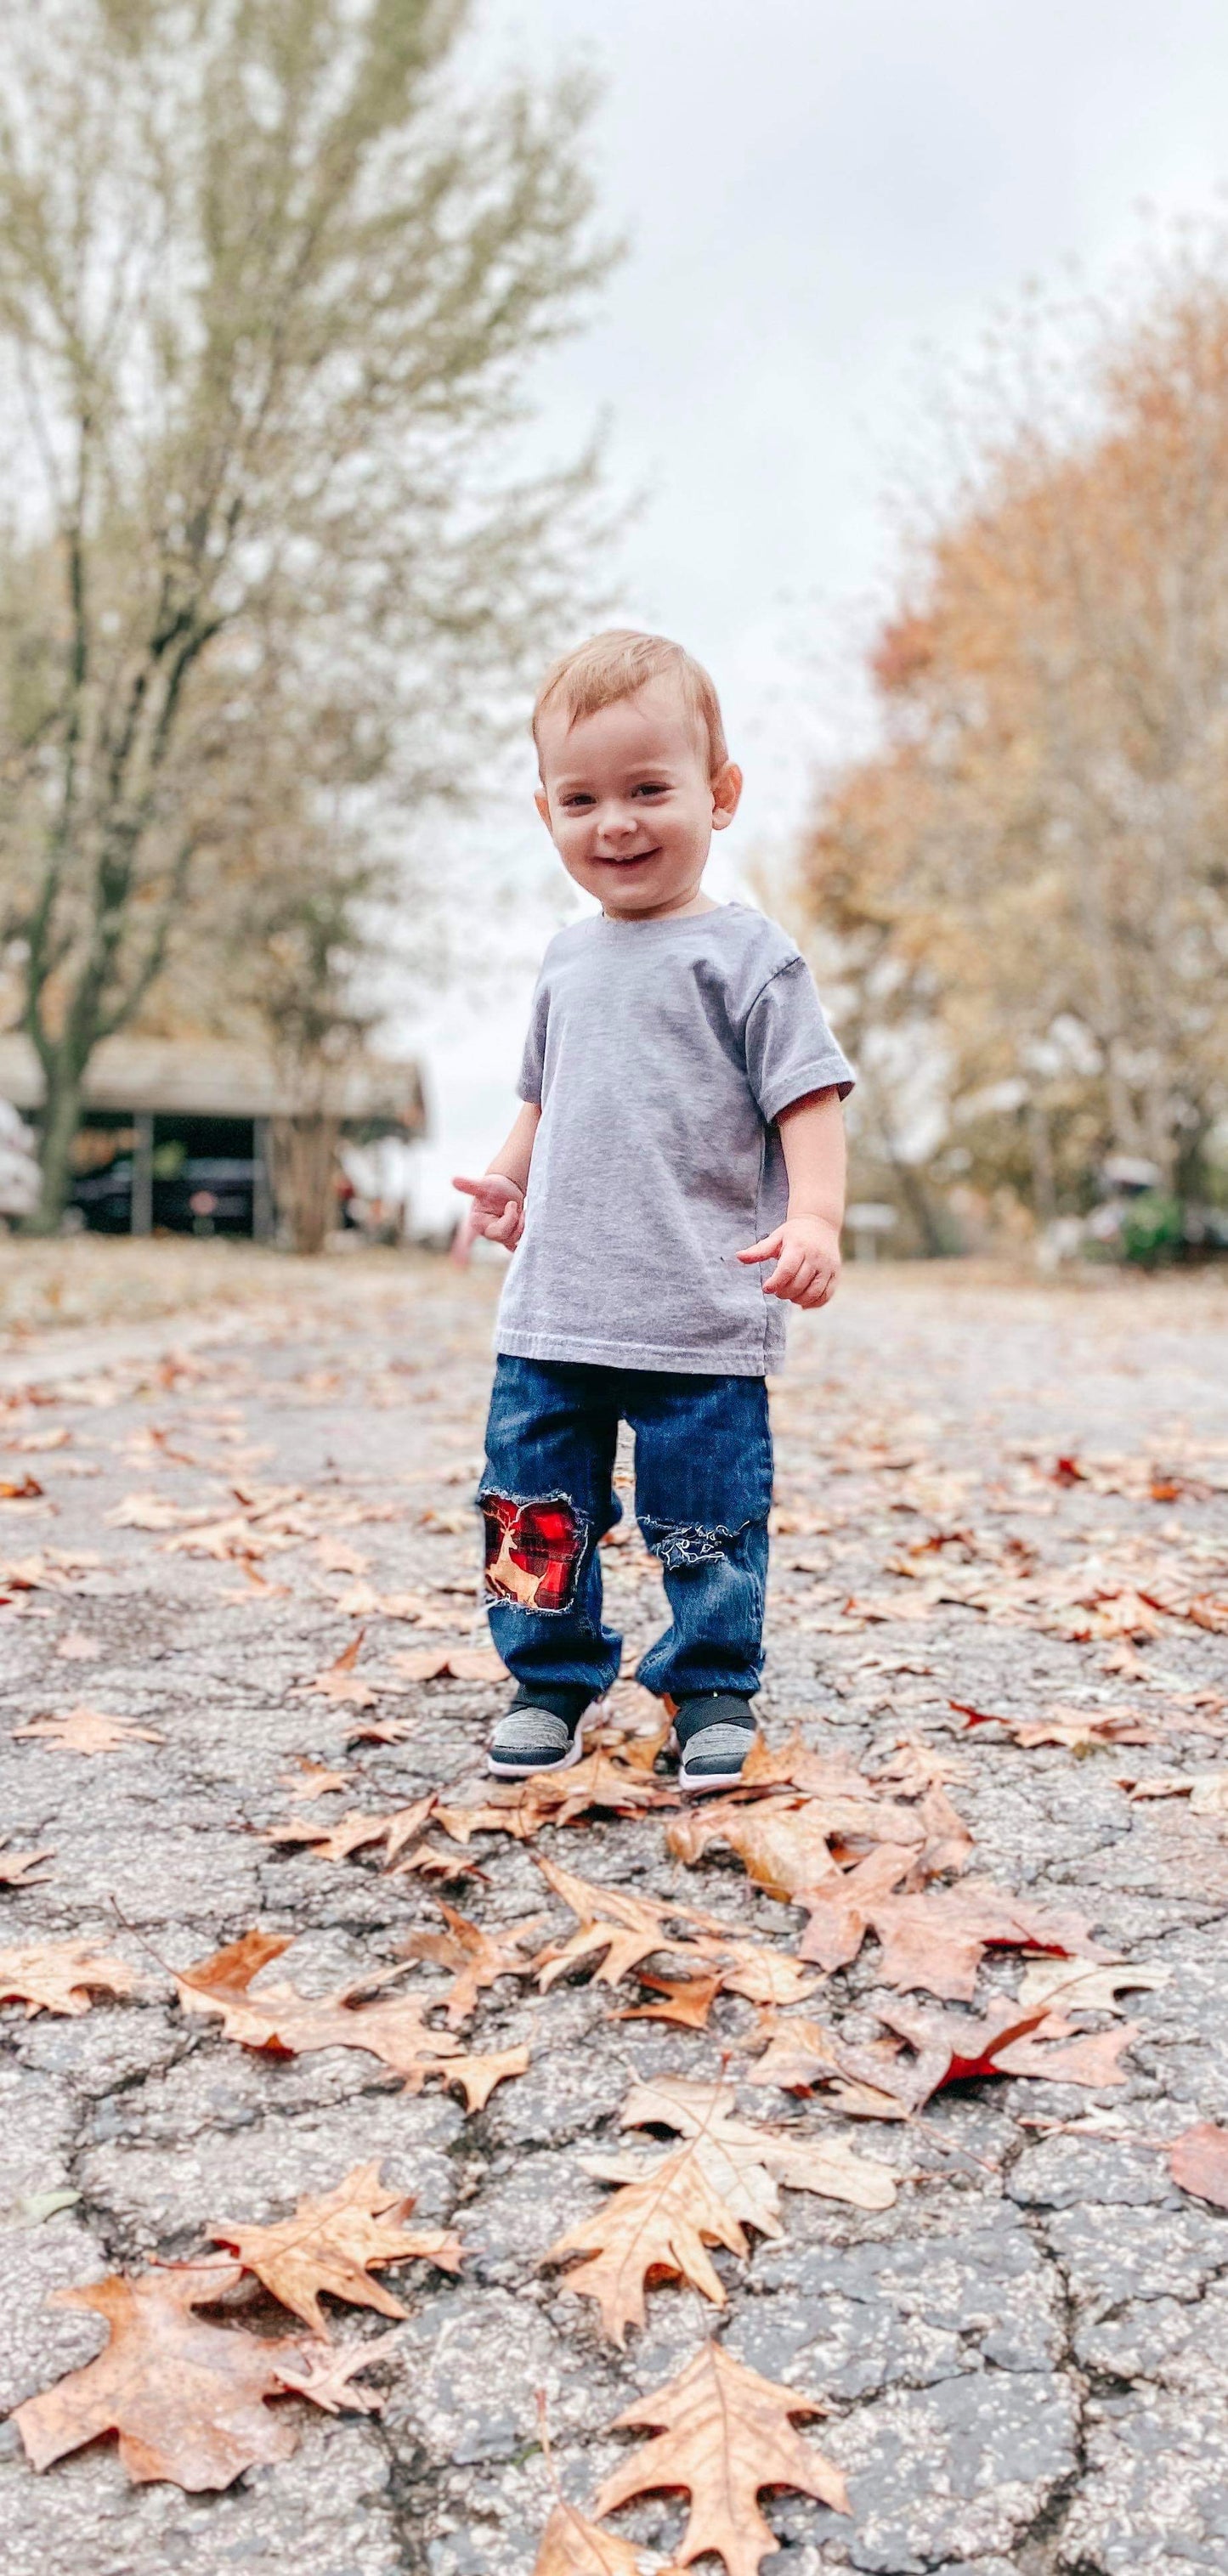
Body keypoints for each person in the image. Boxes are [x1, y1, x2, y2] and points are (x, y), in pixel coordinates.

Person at [453, 630, 852, 1794]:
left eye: (647, 790)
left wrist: (815, 1219)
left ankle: (711, 1681)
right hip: (554, 1312)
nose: (614, 822)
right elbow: (543, 1097)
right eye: (581, 798)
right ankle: (547, 1677)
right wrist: (505, 1177)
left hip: (699, 1308)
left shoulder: (747, 959)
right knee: (533, 1509)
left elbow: (809, 1099)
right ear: (545, 814)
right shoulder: (564, 961)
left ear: (718, 796)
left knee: (708, 1516)